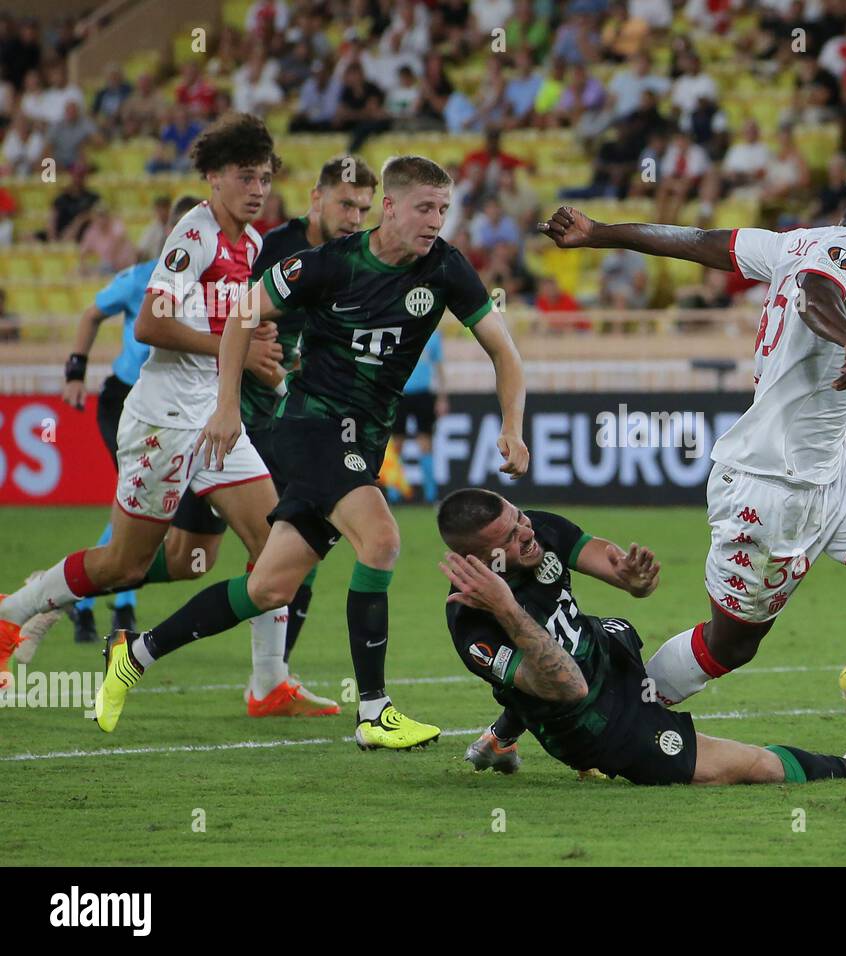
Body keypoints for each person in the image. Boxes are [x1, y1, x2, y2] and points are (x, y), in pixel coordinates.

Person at [93, 156, 531, 752]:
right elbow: (244, 312)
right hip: (311, 426)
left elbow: (505, 353)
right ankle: (374, 712)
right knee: (381, 539)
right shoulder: (331, 265)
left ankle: (135, 653)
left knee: (267, 589)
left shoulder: (447, 268)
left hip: (363, 440)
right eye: (425, 208)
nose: (436, 220)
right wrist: (226, 406)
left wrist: (512, 425)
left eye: (444, 210)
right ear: (392, 207)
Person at [538, 149, 846, 715]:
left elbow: (694, 241)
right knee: (732, 644)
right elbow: (817, 293)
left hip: (833, 466)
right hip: (771, 486)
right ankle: (613, 717)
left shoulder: (789, 242)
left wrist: (600, 233)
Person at [0, 113, 335, 721]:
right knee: (124, 564)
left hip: (210, 417)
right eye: (244, 176)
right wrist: (232, 346)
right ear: (212, 177)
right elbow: (150, 324)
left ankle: (268, 684)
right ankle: (13, 612)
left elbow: (232, 329)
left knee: (274, 543)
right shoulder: (196, 233)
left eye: (264, 177)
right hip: (161, 419)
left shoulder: (252, 245)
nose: (257, 189)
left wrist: (261, 363)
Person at [442, 489, 846, 785]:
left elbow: (611, 564)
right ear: (476, 561)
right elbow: (567, 687)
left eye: (518, 518)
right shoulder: (473, 626)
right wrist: (508, 609)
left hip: (606, 649)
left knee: (620, 630)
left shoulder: (538, 531)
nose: (526, 533)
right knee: (754, 768)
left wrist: (632, 578)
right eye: (508, 538)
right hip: (593, 726)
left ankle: (500, 737)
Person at [242, 156, 378, 672]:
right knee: (171, 556)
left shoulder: (352, 257)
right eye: (345, 203)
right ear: (315, 198)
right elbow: (245, 327)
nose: (353, 217)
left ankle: (273, 677)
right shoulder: (279, 248)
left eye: (364, 208)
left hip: (285, 418)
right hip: (253, 418)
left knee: (298, 543)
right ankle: (47, 598)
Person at [59, 195, 204, 645]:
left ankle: (93, 600)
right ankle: (103, 604)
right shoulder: (142, 280)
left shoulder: (211, 286)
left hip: (179, 403)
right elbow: (92, 313)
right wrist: (76, 372)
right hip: (127, 400)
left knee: (144, 502)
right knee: (139, 498)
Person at [394, 329, 448, 504]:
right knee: (397, 444)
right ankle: (395, 494)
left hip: (423, 394)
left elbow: (439, 367)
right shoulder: (397, 331)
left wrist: (442, 397)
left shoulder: (433, 335)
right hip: (398, 393)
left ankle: (430, 495)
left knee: (425, 443)